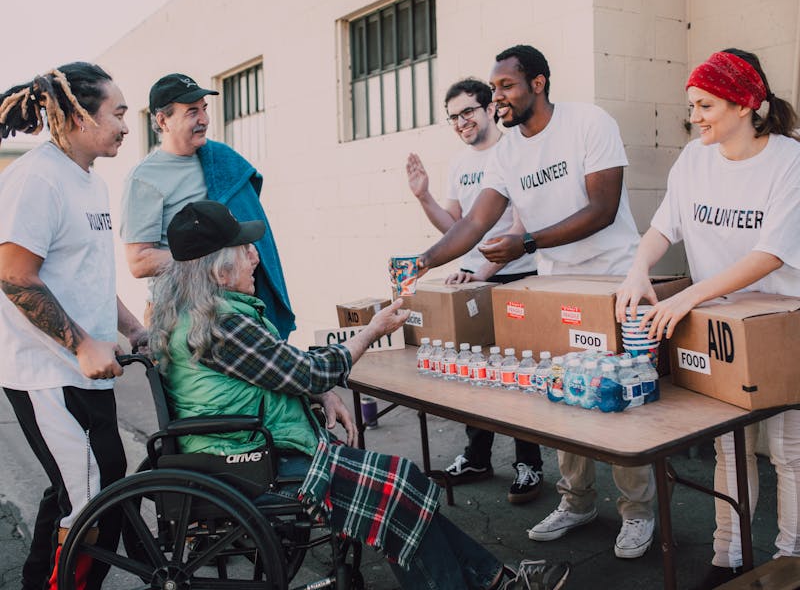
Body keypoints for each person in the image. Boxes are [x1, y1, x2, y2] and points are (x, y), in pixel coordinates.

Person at [148, 199, 571, 590]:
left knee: (402, 487)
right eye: (244, 251)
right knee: (397, 490)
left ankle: (494, 580)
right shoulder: (221, 325)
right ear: (219, 271)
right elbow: (306, 371)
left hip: (245, 450)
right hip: (252, 464)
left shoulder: (196, 314)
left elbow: (280, 371)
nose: (256, 256)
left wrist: (319, 392)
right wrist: (369, 333)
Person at [415, 45, 656, 559]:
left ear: (538, 84)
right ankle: (576, 502)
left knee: (618, 401)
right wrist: (425, 260)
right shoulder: (506, 153)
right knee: (565, 396)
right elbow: (475, 223)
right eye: (494, 87)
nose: (496, 97)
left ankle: (638, 514)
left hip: (612, 279)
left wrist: (528, 243)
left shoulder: (589, 123)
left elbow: (604, 208)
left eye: (506, 86)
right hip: (555, 286)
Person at [615, 48, 800, 589]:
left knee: (787, 450)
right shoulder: (694, 160)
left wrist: (689, 296)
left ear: (746, 105)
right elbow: (662, 227)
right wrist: (637, 270)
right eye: (693, 104)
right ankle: (729, 557)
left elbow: (771, 254)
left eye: (706, 105)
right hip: (719, 321)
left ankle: (789, 561)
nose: (695, 116)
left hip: (780, 321)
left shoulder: (789, 160)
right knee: (729, 444)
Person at [0, 63, 147, 590]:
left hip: (86, 370)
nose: (127, 127)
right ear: (79, 115)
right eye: (118, 114)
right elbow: (15, 278)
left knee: (91, 487)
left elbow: (84, 274)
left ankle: (41, 580)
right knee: (89, 496)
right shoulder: (35, 179)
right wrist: (84, 343)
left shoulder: (89, 181)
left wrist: (132, 327)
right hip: (46, 372)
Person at [406, 78, 542, 503]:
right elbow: (456, 228)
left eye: (468, 111)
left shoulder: (515, 152)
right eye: (453, 116)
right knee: (472, 372)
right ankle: (477, 456)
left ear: (489, 109)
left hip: (515, 278)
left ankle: (529, 463)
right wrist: (424, 196)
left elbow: (521, 225)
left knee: (519, 375)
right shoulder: (460, 165)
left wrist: (482, 270)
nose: (461, 122)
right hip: (473, 281)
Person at [120, 73, 294, 338]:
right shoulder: (144, 178)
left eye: (204, 109)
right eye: (192, 111)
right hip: (179, 314)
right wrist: (214, 255)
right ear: (162, 120)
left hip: (234, 308)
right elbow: (139, 262)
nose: (204, 119)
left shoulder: (220, 160)